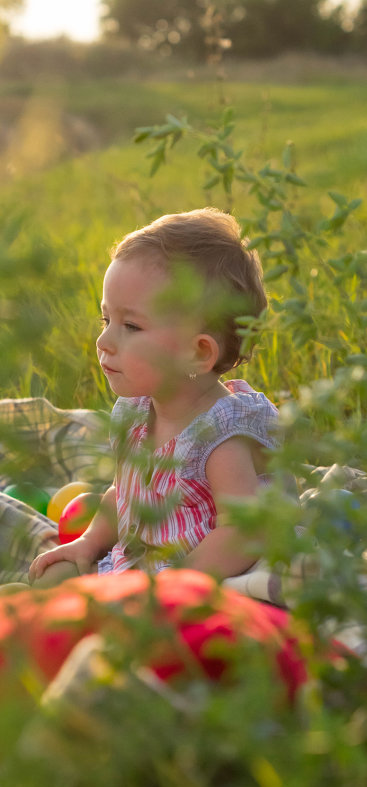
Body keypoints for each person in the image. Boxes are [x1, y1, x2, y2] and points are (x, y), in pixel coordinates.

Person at [29, 208, 280, 586]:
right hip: (135, 569)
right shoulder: (137, 412)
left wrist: (176, 587)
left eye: (130, 326)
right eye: (105, 320)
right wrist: (87, 543)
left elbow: (242, 532)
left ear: (197, 353)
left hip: (194, 578)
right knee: (50, 578)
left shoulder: (220, 437)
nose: (104, 342)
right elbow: (125, 494)